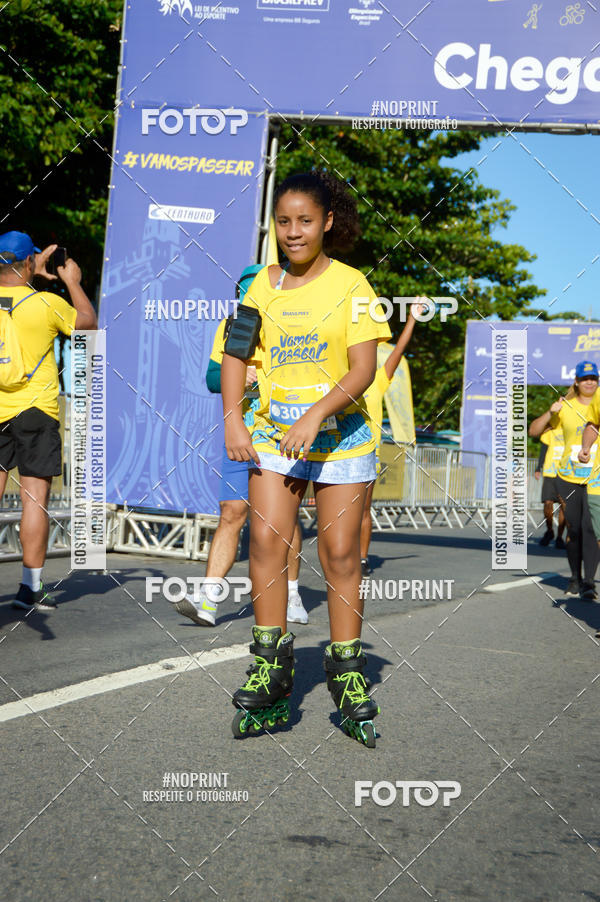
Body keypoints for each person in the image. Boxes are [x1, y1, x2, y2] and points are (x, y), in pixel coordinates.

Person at [222, 171, 391, 746]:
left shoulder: (353, 285)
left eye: (305, 221)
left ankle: (346, 671)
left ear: (327, 223)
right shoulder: (260, 286)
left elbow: (363, 369)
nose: (293, 232)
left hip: (342, 437)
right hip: (274, 435)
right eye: (284, 222)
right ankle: (271, 665)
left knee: (339, 553)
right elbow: (236, 355)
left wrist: (317, 414)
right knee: (267, 544)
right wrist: (233, 420)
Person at [176, 266, 306, 626]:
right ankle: (208, 600)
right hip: (241, 436)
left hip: (281, 435)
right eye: (245, 295)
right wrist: (236, 374)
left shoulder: (292, 322)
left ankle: (292, 593)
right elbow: (211, 377)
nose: (250, 301)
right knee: (231, 512)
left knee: (282, 518)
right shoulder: (231, 325)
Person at [0, 231, 97, 611]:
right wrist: (71, 281)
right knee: (34, 500)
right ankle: (30, 588)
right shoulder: (46, 304)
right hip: (36, 412)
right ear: (29, 262)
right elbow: (88, 325)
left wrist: (29, 272)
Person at [360, 300, 425, 576]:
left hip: (366, 456)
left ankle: (361, 558)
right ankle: (339, 556)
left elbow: (398, 351)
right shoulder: (336, 381)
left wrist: (412, 319)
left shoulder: (377, 380)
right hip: (336, 454)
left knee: (362, 511)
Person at [529, 361, 599, 598]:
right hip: (568, 477)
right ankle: (575, 578)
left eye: (593, 378)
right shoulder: (565, 407)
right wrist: (551, 412)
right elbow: (533, 431)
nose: (589, 382)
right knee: (574, 528)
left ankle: (589, 583)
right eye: (585, 378)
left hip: (596, 477)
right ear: (576, 382)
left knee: (591, 528)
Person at [535, 425, 566, 549]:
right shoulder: (551, 428)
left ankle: (560, 537)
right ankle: (549, 531)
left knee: (564, 506)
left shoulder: (575, 426)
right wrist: (538, 467)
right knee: (548, 503)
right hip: (550, 472)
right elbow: (544, 449)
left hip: (566, 473)